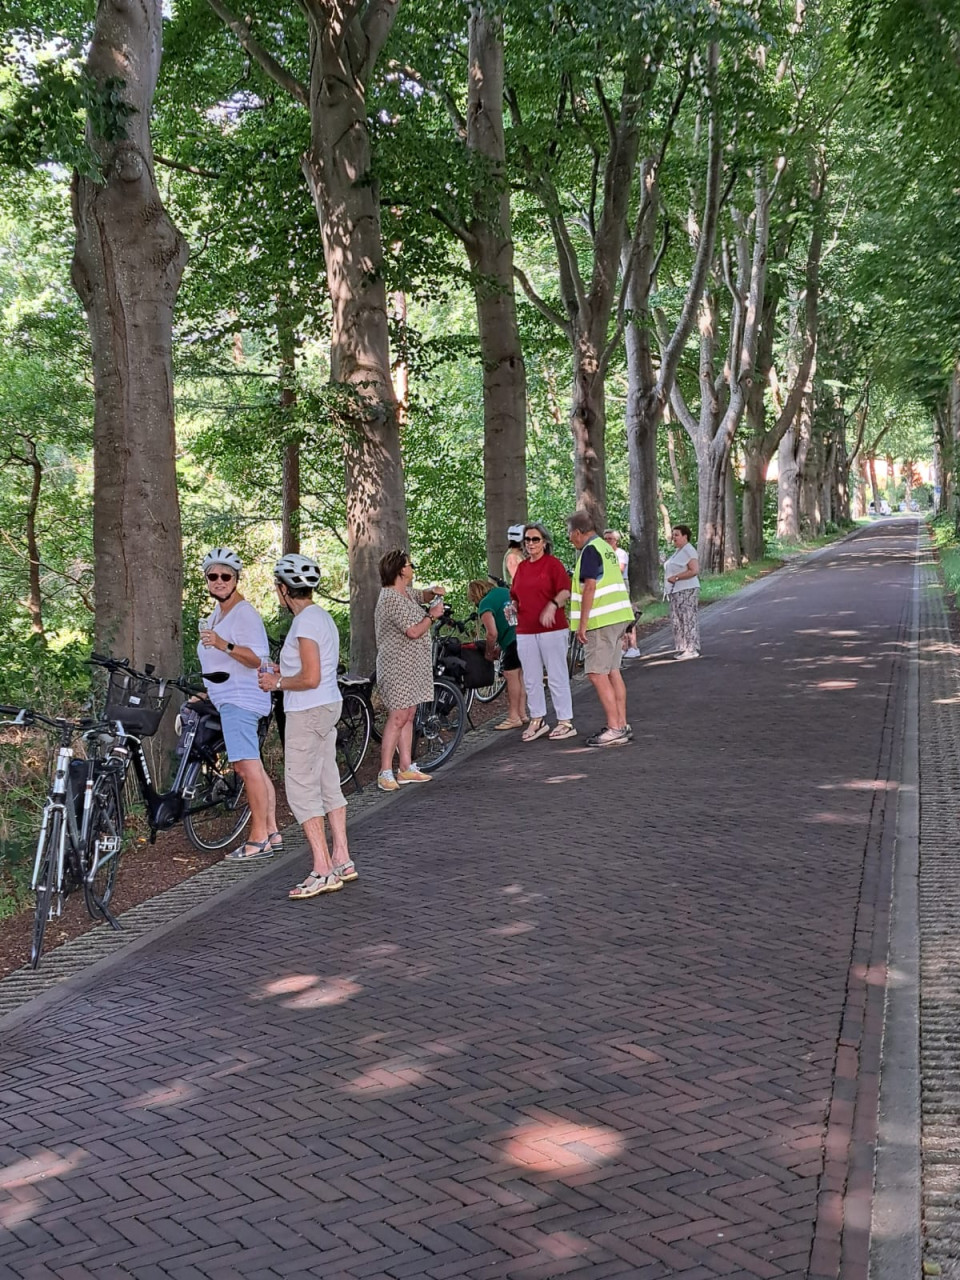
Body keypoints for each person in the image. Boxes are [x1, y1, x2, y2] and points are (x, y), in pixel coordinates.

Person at [258, 554, 357, 899]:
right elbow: (316, 668)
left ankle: (322, 869)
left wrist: (276, 682)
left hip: (307, 710)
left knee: (301, 788)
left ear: (284, 589)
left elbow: (310, 677)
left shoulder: (303, 623)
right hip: (327, 706)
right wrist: (282, 670)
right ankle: (342, 858)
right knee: (328, 779)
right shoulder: (321, 617)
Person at [197, 547, 280, 861]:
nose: (219, 581)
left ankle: (258, 839)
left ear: (236, 579)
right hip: (226, 698)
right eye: (213, 576)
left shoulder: (243, 613)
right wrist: (205, 692)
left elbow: (256, 659)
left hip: (241, 699)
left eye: (225, 576)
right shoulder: (217, 614)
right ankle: (272, 831)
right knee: (253, 765)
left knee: (245, 768)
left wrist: (223, 643)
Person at [375, 550, 445, 791]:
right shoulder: (390, 598)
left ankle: (405, 767)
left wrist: (433, 592)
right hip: (396, 666)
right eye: (410, 565)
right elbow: (413, 631)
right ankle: (385, 771)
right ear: (400, 570)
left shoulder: (405, 593)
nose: (412, 568)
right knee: (397, 716)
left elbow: (422, 595)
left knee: (409, 713)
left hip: (413, 666)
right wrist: (432, 616)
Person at [568, 512, 635, 747]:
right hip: (618, 617)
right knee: (612, 671)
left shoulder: (589, 550)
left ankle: (614, 728)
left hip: (601, 620)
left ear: (577, 532)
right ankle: (621, 724)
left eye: (569, 534)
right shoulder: (606, 548)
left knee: (597, 673)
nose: (570, 539)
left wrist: (582, 625)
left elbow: (590, 587)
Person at [510, 523, 576, 741]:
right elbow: (515, 595)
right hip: (525, 629)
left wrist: (552, 605)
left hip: (552, 628)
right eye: (527, 539)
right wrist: (512, 607)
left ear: (544, 542)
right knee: (531, 678)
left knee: (556, 675)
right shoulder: (522, 568)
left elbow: (565, 591)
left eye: (535, 539)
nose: (530, 543)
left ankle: (565, 721)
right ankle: (537, 719)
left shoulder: (553, 564)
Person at [467, 579, 527, 731]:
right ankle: (522, 713)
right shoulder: (504, 592)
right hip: (525, 635)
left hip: (513, 641)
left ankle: (513, 717)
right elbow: (511, 621)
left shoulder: (485, 603)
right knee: (520, 676)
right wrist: (500, 647)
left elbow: (492, 633)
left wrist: (489, 652)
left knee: (510, 675)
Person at [664, 524, 701, 659]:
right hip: (676, 591)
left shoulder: (689, 550)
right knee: (678, 619)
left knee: (688, 618)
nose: (674, 538)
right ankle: (684, 647)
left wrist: (677, 577)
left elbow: (694, 570)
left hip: (687, 589)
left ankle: (692, 649)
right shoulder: (678, 551)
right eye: (673, 535)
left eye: (677, 535)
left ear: (685, 536)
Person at [604, 529, 641, 659]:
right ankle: (622, 646)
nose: (607, 541)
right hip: (608, 586)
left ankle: (633, 646)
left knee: (626, 614)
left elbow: (620, 569)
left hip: (620, 584)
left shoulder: (621, 553)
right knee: (615, 615)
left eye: (610, 539)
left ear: (616, 541)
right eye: (605, 539)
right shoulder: (603, 554)